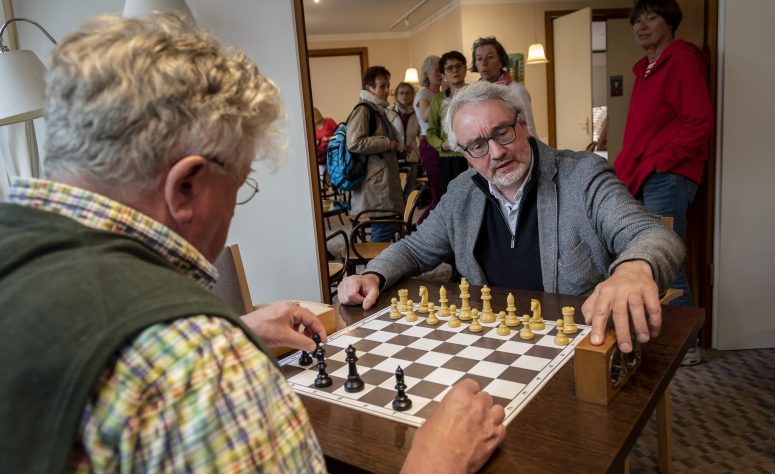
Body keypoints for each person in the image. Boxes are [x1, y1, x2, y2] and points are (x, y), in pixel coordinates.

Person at [0, 14, 505, 473]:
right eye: (239, 185)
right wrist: (438, 462)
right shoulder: (209, 372)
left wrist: (236, 330)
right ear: (187, 187)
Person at [339, 81, 685, 354]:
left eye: (502, 132)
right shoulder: (462, 191)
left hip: (572, 345)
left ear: (523, 124)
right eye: (477, 145)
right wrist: (374, 274)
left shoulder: (582, 175)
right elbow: (415, 249)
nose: (496, 152)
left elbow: (653, 235)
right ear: (465, 156)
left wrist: (634, 269)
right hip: (488, 344)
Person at [615, 0, 713, 365]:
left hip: (667, 177)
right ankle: (668, 338)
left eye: (650, 18)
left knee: (665, 258)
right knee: (651, 255)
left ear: (669, 22)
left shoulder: (682, 60)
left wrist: (661, 162)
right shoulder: (646, 69)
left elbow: (699, 122)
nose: (641, 25)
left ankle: (685, 345)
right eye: (636, 21)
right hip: (647, 175)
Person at [347, 66, 405, 242]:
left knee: (388, 227)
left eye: (388, 86)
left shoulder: (377, 109)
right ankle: (375, 269)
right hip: (375, 185)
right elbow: (354, 142)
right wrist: (387, 143)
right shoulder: (364, 109)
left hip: (380, 181)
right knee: (383, 230)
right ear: (368, 88)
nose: (387, 91)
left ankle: (380, 268)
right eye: (382, 86)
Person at [471, 36, 537, 136]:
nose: (484, 63)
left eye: (490, 57)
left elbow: (529, 129)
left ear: (501, 62)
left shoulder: (515, 90)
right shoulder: (474, 93)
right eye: (479, 58)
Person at [426, 51, 470, 196]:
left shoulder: (476, 93)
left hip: (473, 154)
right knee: (451, 198)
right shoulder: (438, 100)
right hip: (448, 158)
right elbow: (431, 132)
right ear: (443, 74)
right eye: (449, 68)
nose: (455, 70)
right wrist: (441, 145)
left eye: (458, 66)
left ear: (465, 69)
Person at [413, 54, 443, 223]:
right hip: (430, 145)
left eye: (442, 70)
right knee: (438, 196)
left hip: (442, 144)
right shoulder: (424, 94)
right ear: (426, 74)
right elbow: (425, 116)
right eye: (437, 71)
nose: (441, 74)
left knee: (445, 193)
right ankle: (417, 228)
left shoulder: (439, 94)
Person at [392, 81, 421, 198]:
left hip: (411, 158)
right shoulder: (389, 113)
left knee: (409, 192)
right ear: (396, 95)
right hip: (393, 159)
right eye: (401, 93)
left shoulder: (417, 113)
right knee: (396, 192)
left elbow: (422, 135)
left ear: (413, 95)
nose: (404, 96)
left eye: (408, 93)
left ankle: (407, 216)